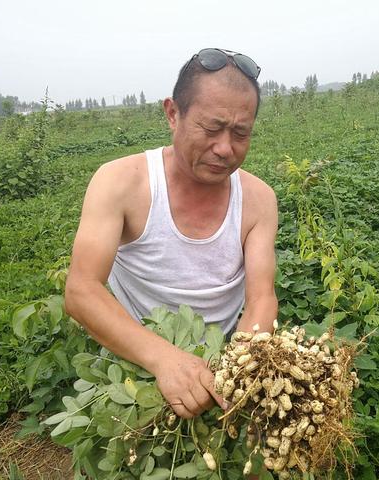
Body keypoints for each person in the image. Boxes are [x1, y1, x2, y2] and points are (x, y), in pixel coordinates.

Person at [65, 48, 278, 420]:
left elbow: (261, 298)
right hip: (139, 363)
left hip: (222, 360)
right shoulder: (121, 183)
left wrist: (236, 368)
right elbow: (82, 291)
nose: (225, 148)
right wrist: (164, 359)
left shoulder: (258, 200)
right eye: (211, 128)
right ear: (173, 114)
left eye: (241, 133)